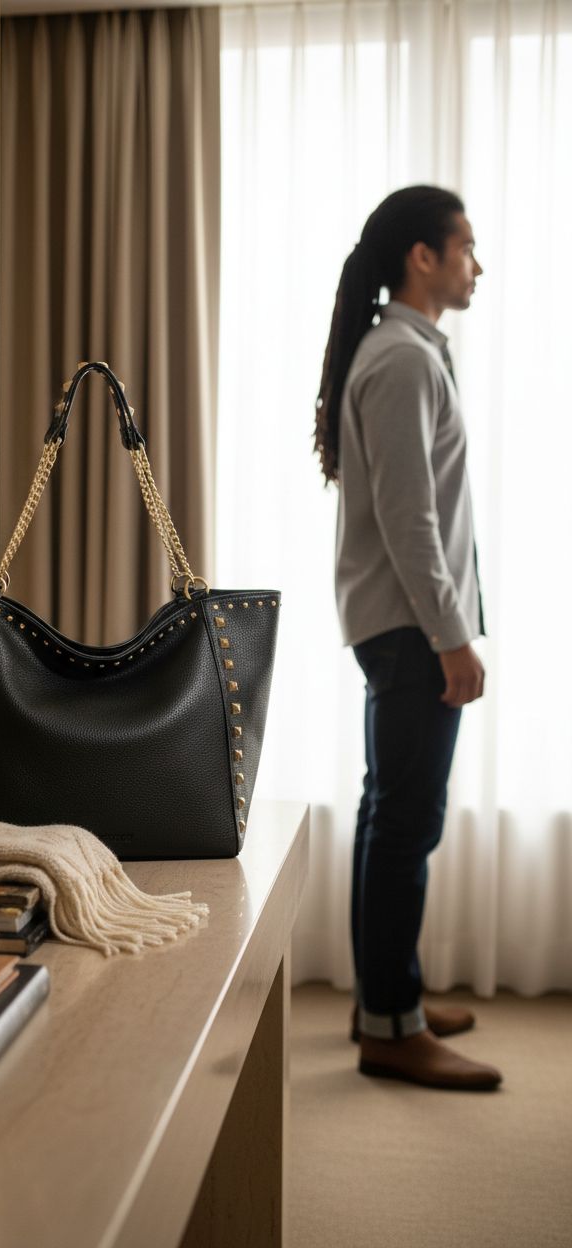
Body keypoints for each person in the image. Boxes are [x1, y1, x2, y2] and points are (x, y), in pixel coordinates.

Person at [314, 186, 502, 1091]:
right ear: (422, 257)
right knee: (405, 823)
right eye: (466, 247)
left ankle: (385, 1003)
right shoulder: (400, 360)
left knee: (388, 813)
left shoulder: (408, 352)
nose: (477, 265)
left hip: (400, 624)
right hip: (409, 628)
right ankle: (393, 1027)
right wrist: (451, 636)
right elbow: (408, 517)